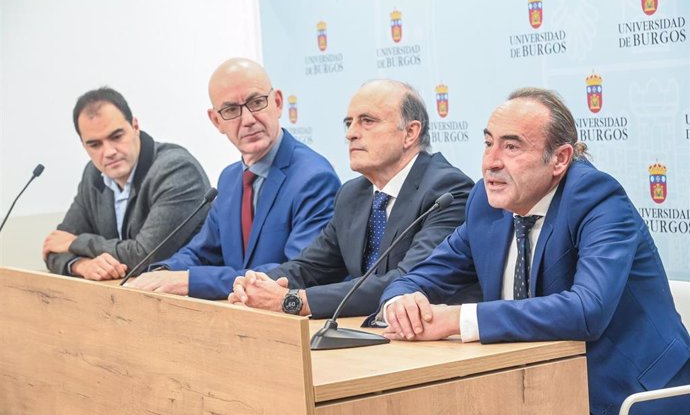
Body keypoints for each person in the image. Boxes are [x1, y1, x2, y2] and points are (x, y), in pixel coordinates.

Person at [376, 88, 690, 415]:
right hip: (535, 390)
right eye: (488, 143)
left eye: (511, 147)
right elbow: (416, 277)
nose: (491, 162)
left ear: (559, 159)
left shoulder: (598, 200)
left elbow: (586, 311)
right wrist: (401, 300)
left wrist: (458, 319)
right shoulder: (486, 201)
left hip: (632, 399)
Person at [230, 79, 479, 319]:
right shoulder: (353, 194)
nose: (350, 134)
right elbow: (311, 267)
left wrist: (295, 300)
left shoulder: (446, 191)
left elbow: (406, 282)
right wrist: (259, 284)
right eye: (348, 123)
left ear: (410, 132)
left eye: (367, 121)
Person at [128, 58, 340, 297]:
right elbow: (201, 252)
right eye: (231, 110)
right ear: (216, 120)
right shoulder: (230, 178)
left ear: (278, 103)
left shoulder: (314, 177)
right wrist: (164, 272)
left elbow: (297, 272)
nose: (248, 119)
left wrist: (190, 282)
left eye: (257, 102)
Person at [43, 87, 211, 280]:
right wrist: (82, 265)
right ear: (83, 145)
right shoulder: (93, 174)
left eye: (116, 136)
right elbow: (53, 248)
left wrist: (76, 243)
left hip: (186, 298)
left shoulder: (177, 169)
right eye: (95, 144)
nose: (109, 152)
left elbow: (144, 258)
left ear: (135, 126)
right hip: (126, 296)